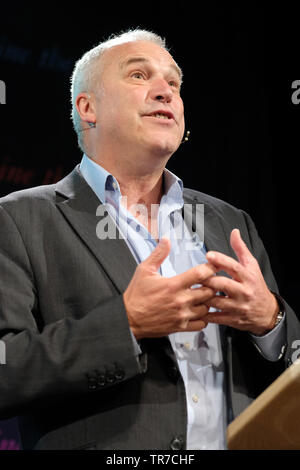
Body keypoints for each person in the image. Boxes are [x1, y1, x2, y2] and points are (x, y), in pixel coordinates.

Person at [0, 29, 299, 451]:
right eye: (139, 76)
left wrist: (271, 321)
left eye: (174, 84)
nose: (165, 92)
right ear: (88, 108)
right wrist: (126, 325)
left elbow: (285, 364)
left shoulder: (229, 221)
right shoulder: (18, 218)